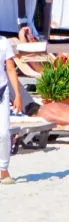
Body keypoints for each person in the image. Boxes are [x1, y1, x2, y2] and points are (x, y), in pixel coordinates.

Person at [0, 34, 23, 184]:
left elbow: (10, 68)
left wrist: (18, 95)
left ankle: (3, 169)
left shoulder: (3, 42)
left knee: (3, 133)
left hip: (2, 91)